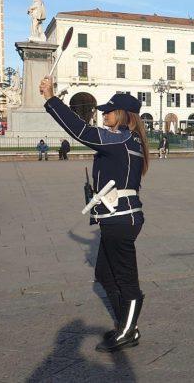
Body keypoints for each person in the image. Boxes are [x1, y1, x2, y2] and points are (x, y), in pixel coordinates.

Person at [39, 76, 150, 353]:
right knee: (103, 272)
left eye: (108, 111)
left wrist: (51, 99)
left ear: (122, 115)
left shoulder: (120, 138)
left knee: (125, 279)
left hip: (121, 219)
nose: (104, 114)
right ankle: (126, 322)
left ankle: (128, 331)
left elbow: (80, 131)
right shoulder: (130, 140)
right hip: (118, 217)